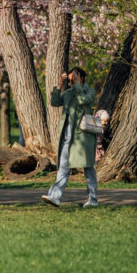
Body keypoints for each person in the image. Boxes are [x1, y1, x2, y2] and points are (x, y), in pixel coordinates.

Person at [41, 67, 98, 208]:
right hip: (67, 137)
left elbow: (83, 101)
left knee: (88, 168)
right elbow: (55, 102)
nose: (71, 83)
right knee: (63, 167)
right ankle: (55, 197)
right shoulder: (68, 92)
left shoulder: (89, 91)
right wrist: (60, 85)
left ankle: (93, 200)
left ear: (82, 78)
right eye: (70, 81)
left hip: (83, 137)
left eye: (74, 80)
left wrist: (78, 85)